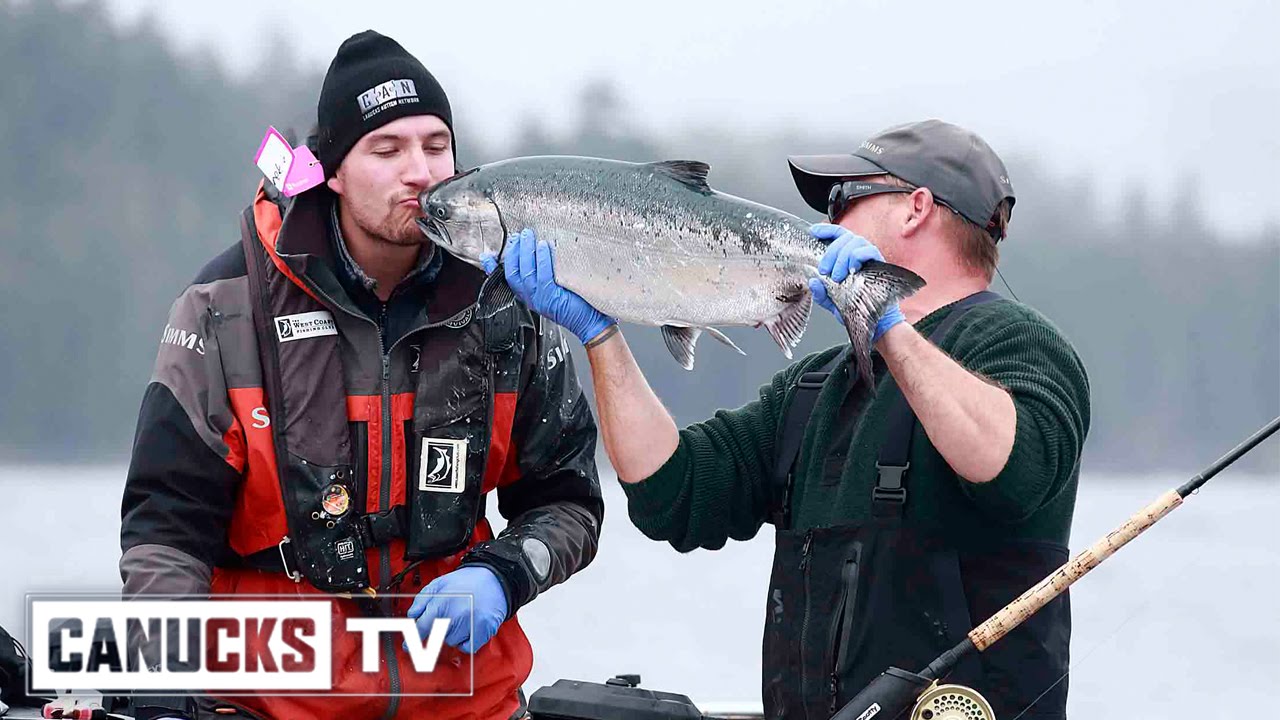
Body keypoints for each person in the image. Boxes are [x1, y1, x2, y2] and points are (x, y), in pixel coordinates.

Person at [497, 120, 1089, 719]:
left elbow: (1009, 465)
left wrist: (885, 321)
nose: (826, 223)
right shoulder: (814, 387)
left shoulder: (1019, 343)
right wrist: (601, 334)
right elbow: (671, 492)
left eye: (843, 200)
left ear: (915, 209)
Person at [120, 31, 603, 720]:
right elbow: (164, 528)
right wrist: (163, 682)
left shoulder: (508, 305)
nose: (421, 171)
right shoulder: (226, 306)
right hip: (273, 704)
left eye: (436, 147)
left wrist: (504, 573)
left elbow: (571, 502)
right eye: (388, 149)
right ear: (333, 172)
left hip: (468, 704)